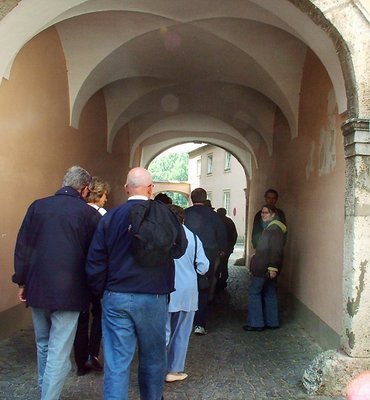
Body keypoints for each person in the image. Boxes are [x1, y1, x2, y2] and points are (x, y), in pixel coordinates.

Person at [85, 167, 187, 400]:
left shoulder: (110, 217)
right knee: (153, 358)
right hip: (154, 296)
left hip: (117, 295)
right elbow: (179, 250)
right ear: (151, 189)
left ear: (126, 188)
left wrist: (101, 292)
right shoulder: (165, 215)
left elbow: (95, 260)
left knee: (117, 362)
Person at [12, 165, 100, 400]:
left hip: (37, 288)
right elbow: (95, 256)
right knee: (59, 351)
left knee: (43, 344)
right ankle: (48, 397)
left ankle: (45, 391)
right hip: (70, 293)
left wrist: (21, 281)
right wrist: (95, 288)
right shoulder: (88, 215)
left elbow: (23, 247)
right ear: (84, 189)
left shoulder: (37, 207)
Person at [165, 205, 209, 383]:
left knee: (163, 331)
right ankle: (174, 370)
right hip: (187, 291)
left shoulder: (163, 236)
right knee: (182, 332)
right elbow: (203, 266)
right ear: (183, 219)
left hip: (165, 289)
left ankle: (158, 367)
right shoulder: (194, 238)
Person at [73, 176, 110, 375]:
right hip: (96, 272)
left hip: (76, 271)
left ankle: (80, 361)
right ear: (100, 195)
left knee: (81, 316)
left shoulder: (76, 213)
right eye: (105, 195)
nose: (106, 199)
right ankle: (92, 353)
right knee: (98, 313)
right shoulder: (103, 217)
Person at [184, 188, 227, 335]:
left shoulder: (186, 213)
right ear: (205, 198)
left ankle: (184, 321)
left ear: (191, 198)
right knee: (203, 287)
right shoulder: (214, 216)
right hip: (208, 254)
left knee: (186, 286)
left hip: (187, 254)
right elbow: (222, 234)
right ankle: (199, 324)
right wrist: (221, 250)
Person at [243, 204, 287, 331]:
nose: (263, 215)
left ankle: (256, 323)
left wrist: (272, 267)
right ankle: (272, 321)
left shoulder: (272, 229)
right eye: (262, 212)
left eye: (266, 213)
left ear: (273, 214)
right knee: (270, 292)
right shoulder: (274, 228)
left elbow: (275, 250)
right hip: (268, 267)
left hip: (263, 267)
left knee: (254, 293)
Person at [216, 208, 238, 290]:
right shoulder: (229, 221)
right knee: (224, 264)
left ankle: (216, 281)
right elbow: (234, 235)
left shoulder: (216, 221)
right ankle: (223, 281)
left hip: (217, 247)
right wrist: (231, 245)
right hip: (227, 247)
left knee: (217, 265)